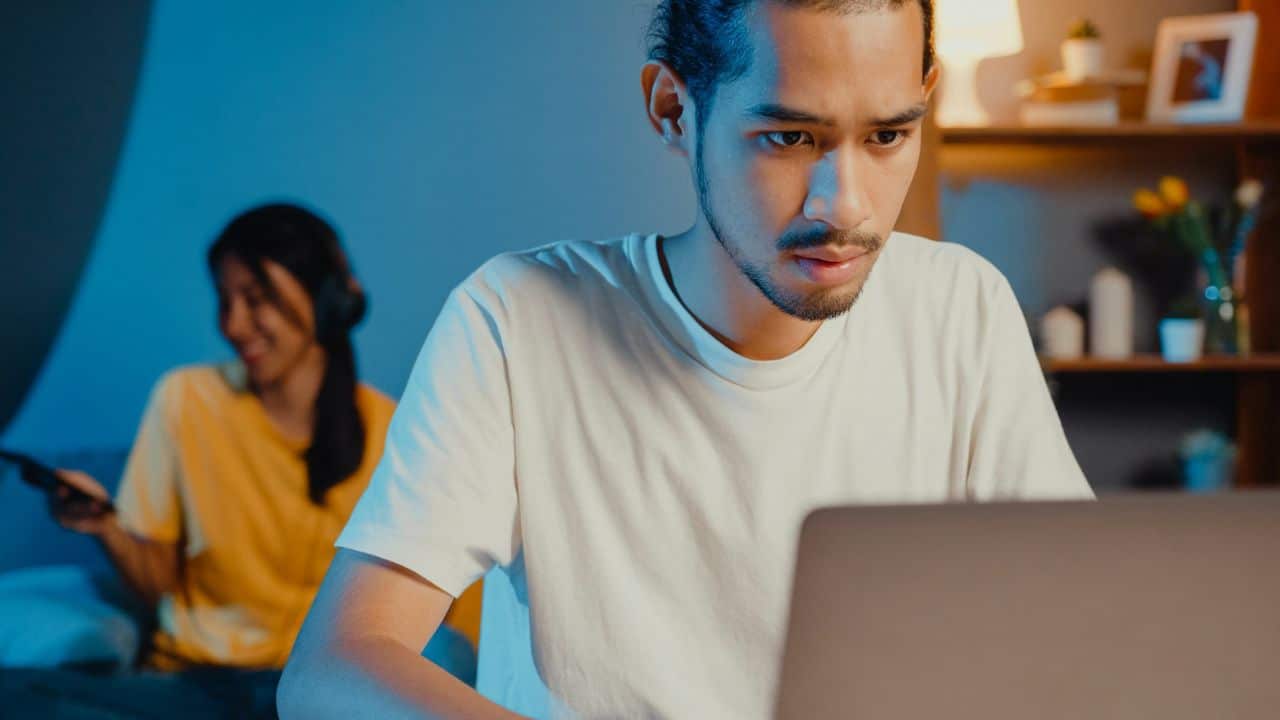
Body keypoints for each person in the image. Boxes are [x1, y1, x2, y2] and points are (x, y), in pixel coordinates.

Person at [280, 1, 1092, 718]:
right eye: (789, 136)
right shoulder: (515, 320)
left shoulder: (961, 308)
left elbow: (1080, 619)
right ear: (673, 108)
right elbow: (332, 668)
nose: (846, 204)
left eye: (888, 134)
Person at [32, 204, 481, 716]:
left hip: (321, 696)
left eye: (256, 298)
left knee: (446, 659)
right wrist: (106, 527)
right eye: (224, 301)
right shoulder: (186, 399)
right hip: (194, 685)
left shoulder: (393, 431)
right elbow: (156, 582)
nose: (234, 324)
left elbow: (453, 623)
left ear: (328, 300)